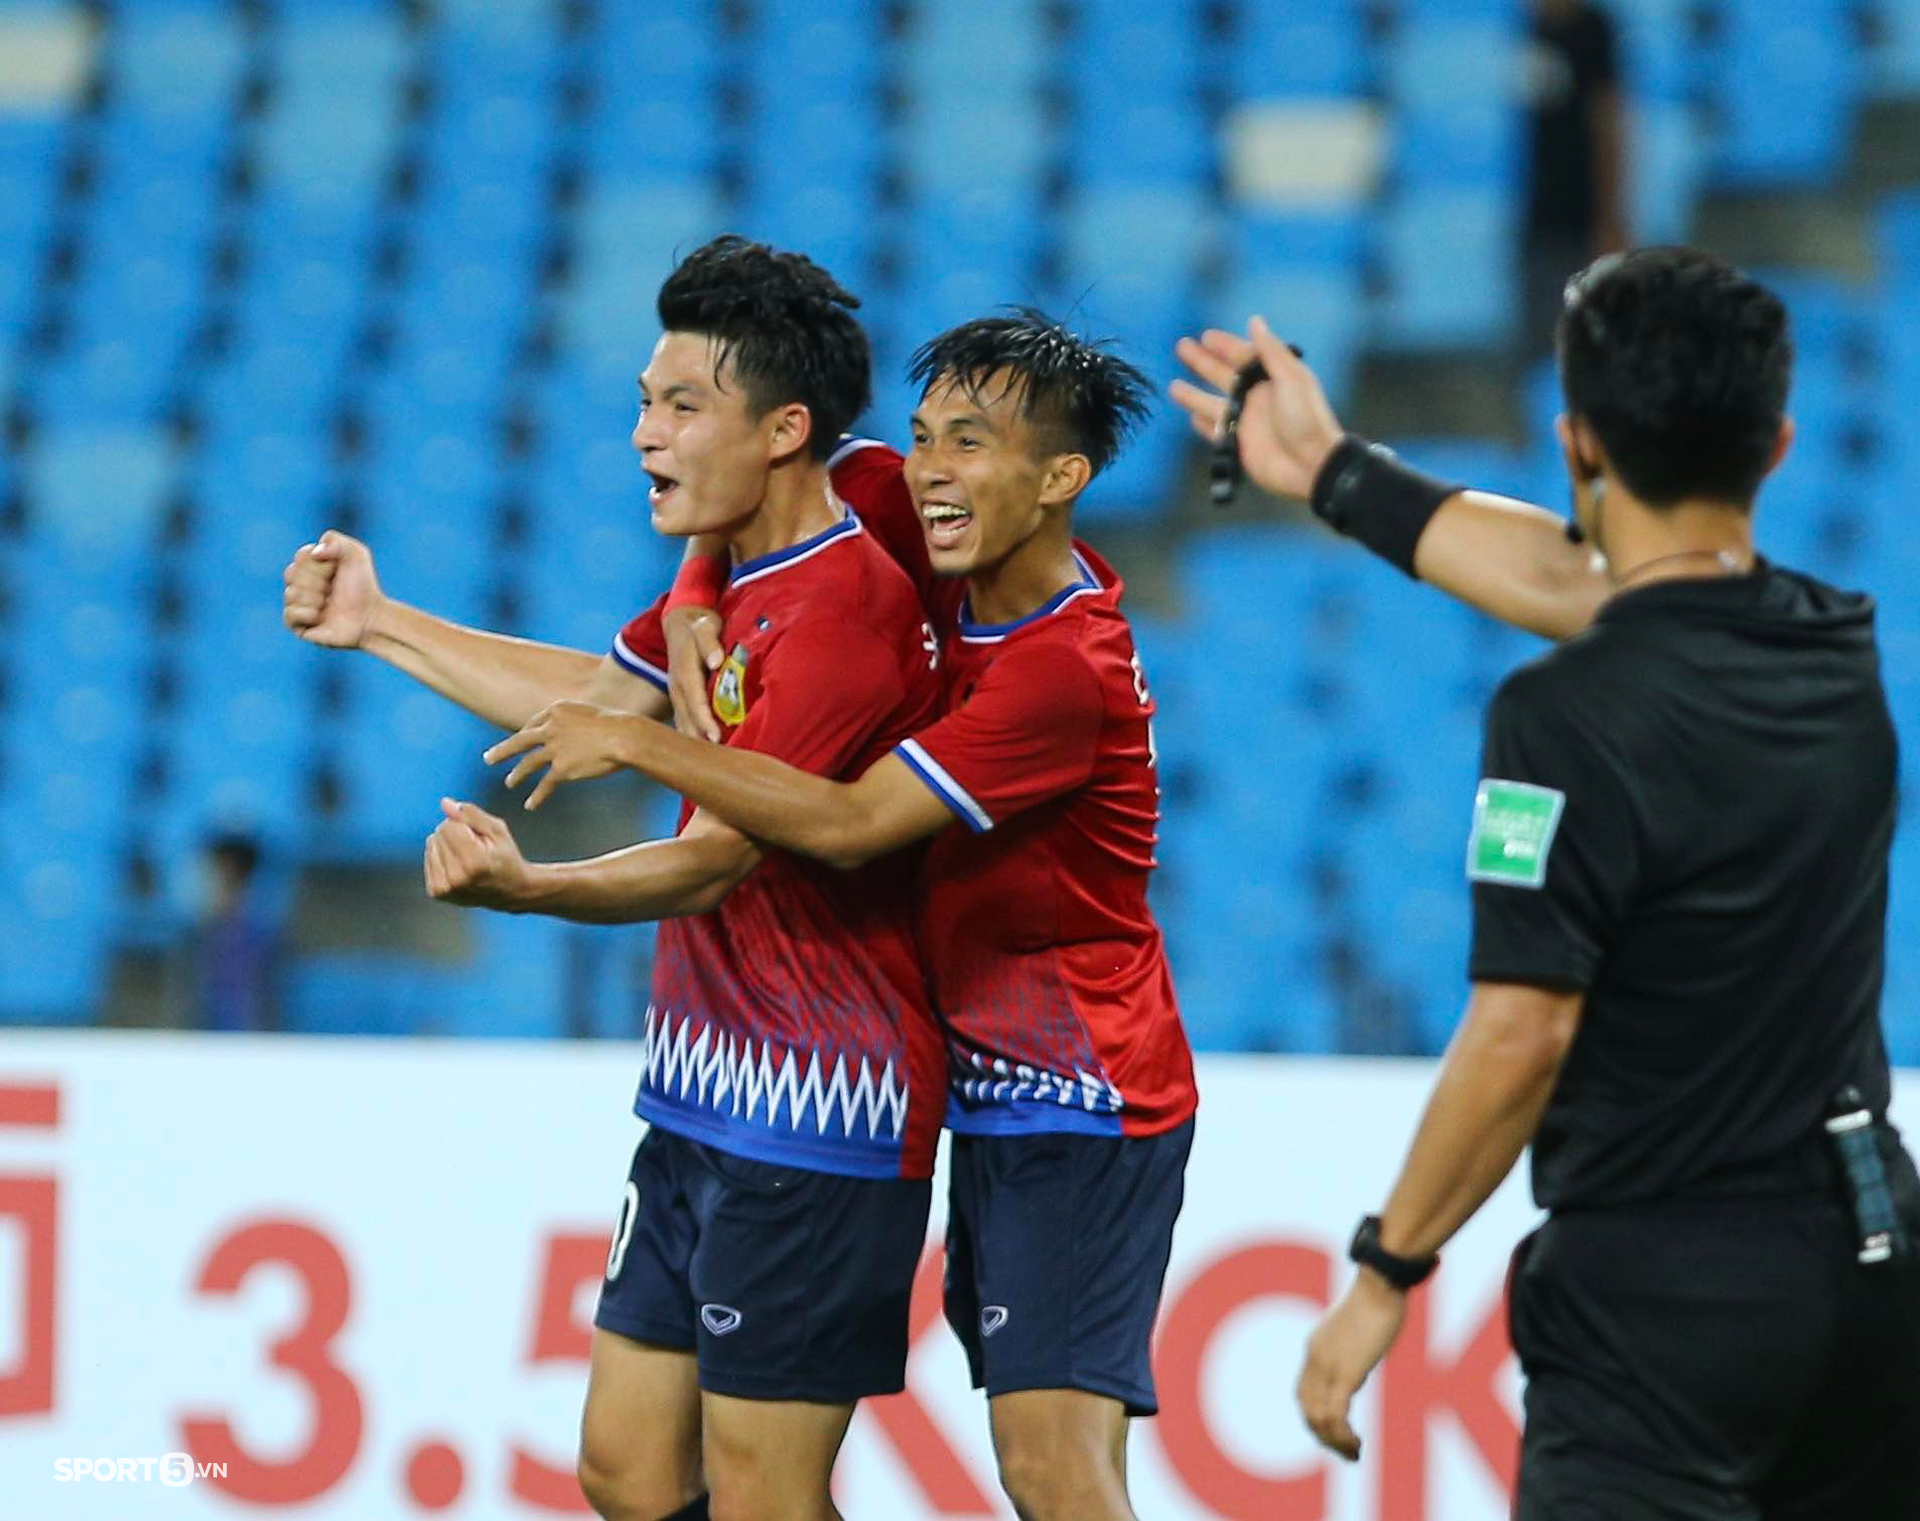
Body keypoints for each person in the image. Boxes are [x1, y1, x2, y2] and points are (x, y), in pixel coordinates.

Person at [1179, 248, 1920, 1518]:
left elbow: (1522, 1030)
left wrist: (1384, 1274)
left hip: (1661, 1318)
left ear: (1574, 443)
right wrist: (1336, 472)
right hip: (1868, 1274)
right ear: (1780, 444)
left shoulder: (1561, 717)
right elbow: (1590, 581)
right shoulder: (1837, 648)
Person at [486, 311, 1199, 1521]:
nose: (928, 468)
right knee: (637, 1470)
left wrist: (640, 737)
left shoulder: (1057, 670)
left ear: (1062, 479)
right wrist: (699, 592)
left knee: (1052, 1471)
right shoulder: (898, 500)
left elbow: (847, 823)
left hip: (1076, 1091)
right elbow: (755, 506)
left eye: (968, 445)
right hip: (969, 1066)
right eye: (924, 437)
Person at [285, 236, 946, 1521]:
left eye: (680, 404)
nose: (643, 429)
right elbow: (594, 704)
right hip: (705, 1086)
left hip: (821, 1106)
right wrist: (385, 623)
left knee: (764, 1494)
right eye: (645, 398)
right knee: (628, 1473)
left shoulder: (844, 615)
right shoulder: (732, 572)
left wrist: (528, 890)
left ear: (782, 428)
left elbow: (710, 863)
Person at [1520, 0, 1628, 355]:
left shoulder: (1592, 31)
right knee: (1537, 347)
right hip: (1531, 222)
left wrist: (1609, 217)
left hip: (1579, 221)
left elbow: (1608, 125)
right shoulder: (1522, 29)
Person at [190, 832, 283, 1032]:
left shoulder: (265, 926)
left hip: (252, 1031)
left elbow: (269, 993)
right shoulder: (196, 930)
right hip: (205, 1032)